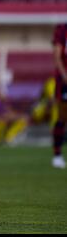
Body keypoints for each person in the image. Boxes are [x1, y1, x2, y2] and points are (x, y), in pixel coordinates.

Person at [51, 23, 67, 169]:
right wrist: (65, 76)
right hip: (64, 82)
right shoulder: (62, 30)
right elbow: (57, 57)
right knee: (63, 116)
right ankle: (57, 155)